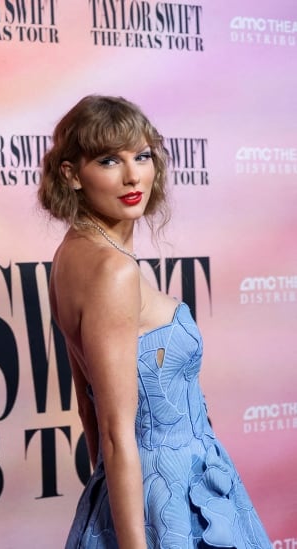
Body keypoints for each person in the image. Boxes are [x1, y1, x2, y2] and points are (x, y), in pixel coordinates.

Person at [38, 95, 271, 548]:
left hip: (156, 488)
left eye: (141, 156)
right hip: (170, 503)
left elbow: (90, 409)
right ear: (71, 174)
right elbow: (112, 428)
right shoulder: (113, 270)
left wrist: (107, 502)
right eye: (109, 160)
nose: (132, 176)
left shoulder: (70, 254)